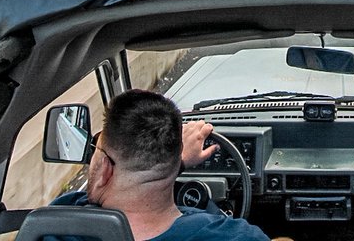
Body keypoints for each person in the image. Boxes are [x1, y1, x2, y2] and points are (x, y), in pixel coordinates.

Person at [52, 89, 270, 241]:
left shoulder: (56, 225)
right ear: (175, 163)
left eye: (95, 150)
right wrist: (176, 162)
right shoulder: (239, 236)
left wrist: (179, 162)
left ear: (104, 168)